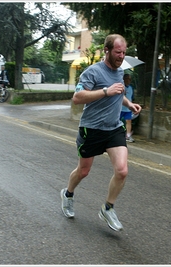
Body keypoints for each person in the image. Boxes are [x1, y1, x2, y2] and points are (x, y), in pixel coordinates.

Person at [60, 34, 142, 232]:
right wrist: (105, 91)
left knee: (122, 170)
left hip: (114, 128)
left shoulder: (120, 71)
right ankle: (68, 194)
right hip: (92, 129)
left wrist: (129, 103)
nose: (121, 56)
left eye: (124, 52)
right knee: (83, 171)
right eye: (117, 52)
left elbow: (118, 93)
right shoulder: (93, 72)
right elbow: (78, 97)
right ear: (106, 50)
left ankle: (108, 208)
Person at [121, 73, 135, 142]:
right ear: (124, 79)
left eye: (130, 79)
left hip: (128, 109)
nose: (129, 80)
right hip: (120, 108)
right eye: (127, 79)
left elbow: (132, 97)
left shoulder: (131, 88)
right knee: (117, 121)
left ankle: (128, 135)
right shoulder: (121, 86)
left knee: (128, 121)